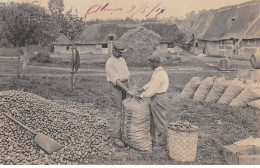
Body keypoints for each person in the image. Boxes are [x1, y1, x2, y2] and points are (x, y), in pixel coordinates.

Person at [136, 54, 169, 148]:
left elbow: (153, 90)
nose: (149, 65)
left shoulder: (160, 74)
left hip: (158, 98)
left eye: (150, 63)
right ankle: (154, 141)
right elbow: (151, 83)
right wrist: (142, 88)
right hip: (155, 98)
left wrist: (141, 95)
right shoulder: (157, 72)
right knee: (153, 120)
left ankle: (163, 144)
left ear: (155, 63)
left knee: (159, 121)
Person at [105, 41, 135, 147]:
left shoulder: (122, 60)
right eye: (119, 52)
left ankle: (123, 133)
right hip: (115, 87)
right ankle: (116, 137)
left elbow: (127, 75)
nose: (121, 54)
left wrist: (130, 88)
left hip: (124, 86)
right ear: (113, 50)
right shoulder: (109, 63)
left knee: (125, 109)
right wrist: (128, 91)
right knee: (118, 111)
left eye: (122, 52)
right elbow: (116, 81)